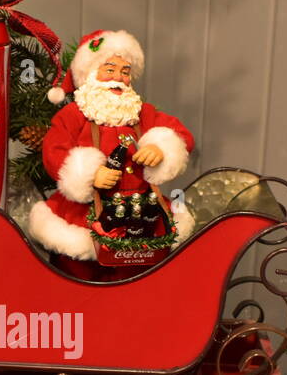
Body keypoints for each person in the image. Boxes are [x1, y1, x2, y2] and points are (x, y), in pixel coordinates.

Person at [28, 28, 195, 280]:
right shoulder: (72, 116)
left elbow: (180, 135)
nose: (118, 77)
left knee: (141, 277)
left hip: (141, 213)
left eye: (125, 72)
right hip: (86, 215)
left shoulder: (143, 113)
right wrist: (88, 174)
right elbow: (55, 151)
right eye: (110, 69)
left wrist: (160, 147)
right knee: (81, 275)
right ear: (90, 74)